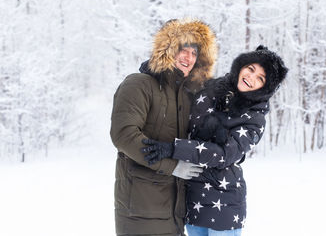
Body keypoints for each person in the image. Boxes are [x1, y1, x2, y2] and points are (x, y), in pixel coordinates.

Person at [141, 45, 288, 235]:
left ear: (265, 88)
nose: (251, 77)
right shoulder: (210, 88)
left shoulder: (254, 118)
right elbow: (179, 88)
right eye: (250, 69)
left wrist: (173, 149)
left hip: (224, 207)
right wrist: (155, 71)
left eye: (260, 78)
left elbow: (224, 154)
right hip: (192, 200)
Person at [110, 18, 218, 236]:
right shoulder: (139, 84)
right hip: (141, 209)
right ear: (168, 49)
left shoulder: (190, 96)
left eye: (194, 53)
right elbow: (123, 135)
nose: (189, 57)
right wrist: (172, 166)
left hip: (176, 212)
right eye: (183, 50)